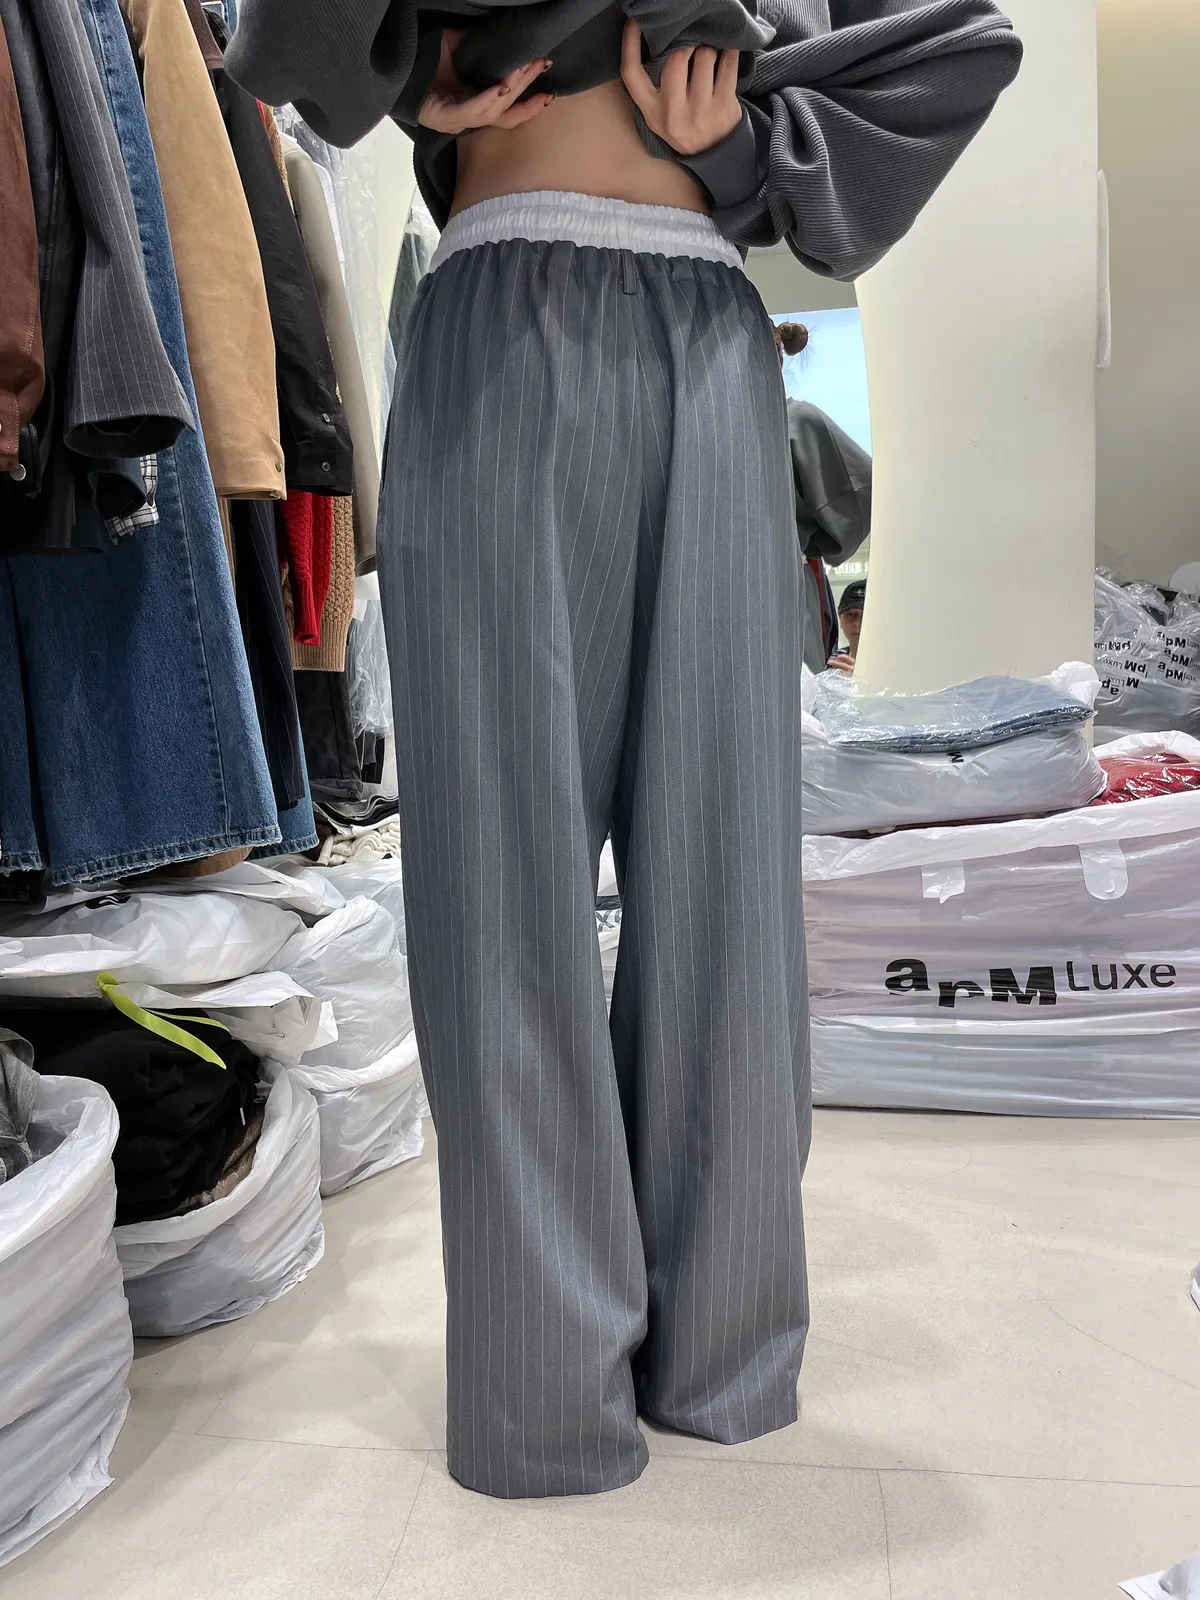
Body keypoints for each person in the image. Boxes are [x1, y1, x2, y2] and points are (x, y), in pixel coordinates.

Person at [227, 0, 1022, 1500]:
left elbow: (958, 48)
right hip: (498, 294)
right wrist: (402, 90)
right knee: (502, 891)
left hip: (709, 331)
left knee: (724, 875)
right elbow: (291, 37)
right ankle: (546, 1391)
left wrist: (749, 150)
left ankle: (721, 1349)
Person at [775, 323, 872, 677]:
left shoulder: (794, 420)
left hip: (777, 586)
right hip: (702, 581)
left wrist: (804, 542)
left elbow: (862, 492)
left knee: (785, 693)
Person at [830, 578, 867, 672]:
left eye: (864, 616)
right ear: (840, 619)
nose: (856, 623)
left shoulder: (892, 662)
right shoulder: (832, 662)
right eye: (850, 614)